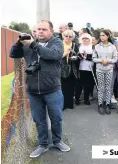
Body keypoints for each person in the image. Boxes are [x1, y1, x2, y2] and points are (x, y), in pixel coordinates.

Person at [9, 20, 70, 158]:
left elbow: (53, 55)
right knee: (39, 119)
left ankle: (57, 141)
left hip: (52, 89)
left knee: (56, 118)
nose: (40, 32)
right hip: (33, 91)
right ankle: (42, 144)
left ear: (51, 31)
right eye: (38, 29)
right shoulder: (28, 43)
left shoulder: (57, 43)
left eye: (44, 29)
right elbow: (13, 54)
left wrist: (33, 44)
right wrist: (18, 42)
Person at [93, 30, 118, 115]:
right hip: (99, 69)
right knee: (101, 87)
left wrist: (108, 61)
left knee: (108, 88)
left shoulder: (113, 47)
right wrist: (101, 60)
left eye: (103, 35)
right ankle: (100, 104)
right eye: (100, 35)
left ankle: (107, 104)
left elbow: (115, 59)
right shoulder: (97, 46)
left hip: (109, 70)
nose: (101, 37)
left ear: (107, 36)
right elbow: (94, 58)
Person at [61, 30, 79, 110]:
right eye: (66, 36)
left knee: (71, 88)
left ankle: (69, 104)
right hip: (61, 68)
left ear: (73, 38)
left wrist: (76, 57)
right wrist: (64, 54)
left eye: (70, 36)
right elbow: (55, 56)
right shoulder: (59, 44)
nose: (68, 38)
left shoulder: (75, 45)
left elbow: (78, 55)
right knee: (62, 88)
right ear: (63, 36)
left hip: (72, 68)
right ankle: (63, 105)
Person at [75, 33, 94, 105]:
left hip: (90, 69)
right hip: (80, 68)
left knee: (88, 85)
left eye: (87, 38)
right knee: (79, 85)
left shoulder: (93, 47)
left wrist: (86, 56)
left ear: (90, 39)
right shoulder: (79, 46)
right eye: (83, 38)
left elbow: (95, 57)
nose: (85, 40)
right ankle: (77, 98)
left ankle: (86, 99)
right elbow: (76, 56)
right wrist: (79, 57)